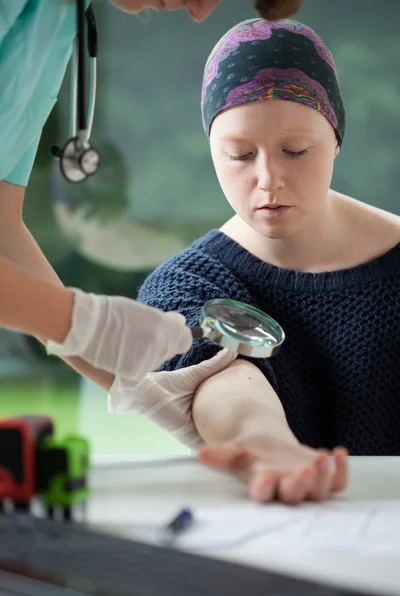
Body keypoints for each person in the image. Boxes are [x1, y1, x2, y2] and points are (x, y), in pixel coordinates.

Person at [123, 17, 400, 505]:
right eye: (238, 154)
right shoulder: (184, 286)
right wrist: (264, 445)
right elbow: (221, 378)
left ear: (335, 138)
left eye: (295, 151)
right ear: (210, 150)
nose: (268, 179)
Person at [0, 1, 304, 392]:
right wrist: (82, 322)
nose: (200, 12)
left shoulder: (61, 17)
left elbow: (3, 226)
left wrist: (143, 392)